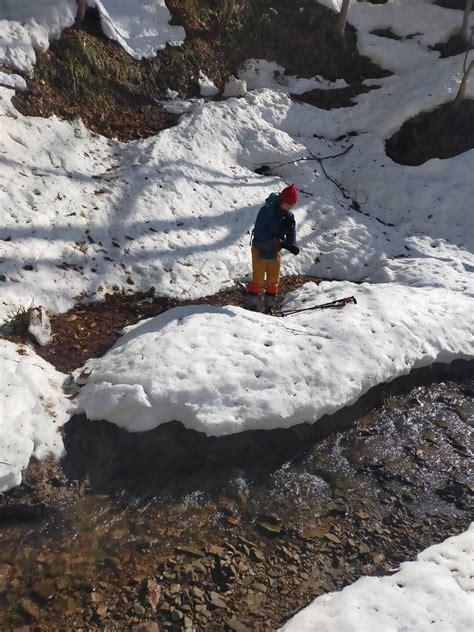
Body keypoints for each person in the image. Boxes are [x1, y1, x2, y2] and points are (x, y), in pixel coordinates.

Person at [246, 183, 300, 314]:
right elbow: (259, 230)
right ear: (284, 201)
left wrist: (290, 244)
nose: (292, 206)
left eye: (293, 204)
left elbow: (291, 231)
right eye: (291, 203)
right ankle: (251, 307)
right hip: (260, 247)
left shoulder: (289, 215)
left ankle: (268, 308)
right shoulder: (267, 210)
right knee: (258, 279)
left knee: (273, 280)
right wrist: (274, 240)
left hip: (275, 250)